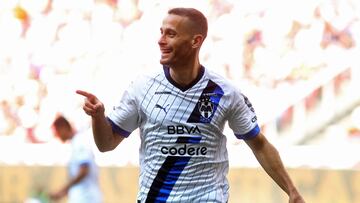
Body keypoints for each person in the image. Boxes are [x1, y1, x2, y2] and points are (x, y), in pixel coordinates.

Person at [76, 7, 305, 203]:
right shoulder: (142, 87)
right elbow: (106, 144)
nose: (161, 40)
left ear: (196, 41)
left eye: (171, 34)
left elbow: (260, 144)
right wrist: (98, 117)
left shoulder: (224, 92)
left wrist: (292, 191)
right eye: (161, 32)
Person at [49, 115, 102, 203]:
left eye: (57, 132)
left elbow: (84, 170)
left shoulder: (79, 142)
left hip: (87, 197)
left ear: (64, 128)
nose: (56, 136)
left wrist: (63, 189)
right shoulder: (75, 142)